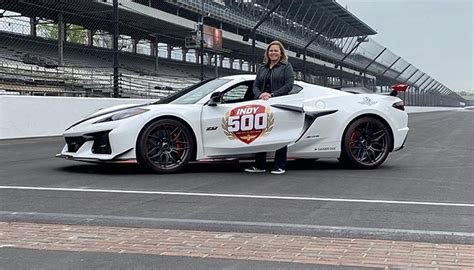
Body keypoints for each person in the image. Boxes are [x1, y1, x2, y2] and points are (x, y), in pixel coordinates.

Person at [245, 40, 294, 175]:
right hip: (262, 104)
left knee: (280, 133)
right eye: (271, 50)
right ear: (267, 52)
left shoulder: (286, 66)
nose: (273, 53)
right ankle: (260, 165)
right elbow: (255, 85)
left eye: (276, 50)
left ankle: (279, 165)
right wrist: (260, 95)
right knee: (261, 134)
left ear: (281, 52)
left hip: (279, 103)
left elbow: (289, 85)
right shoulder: (262, 68)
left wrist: (272, 95)